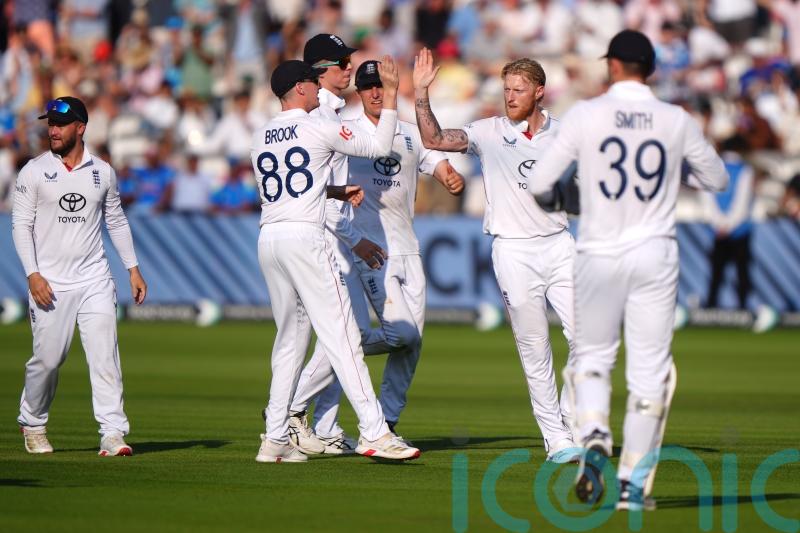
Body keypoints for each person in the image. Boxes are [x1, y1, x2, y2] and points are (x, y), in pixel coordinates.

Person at [527, 30, 728, 510]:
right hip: (655, 253)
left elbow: (540, 184)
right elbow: (717, 178)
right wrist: (672, 171)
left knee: (593, 357)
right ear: (651, 69)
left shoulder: (587, 114)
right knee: (650, 373)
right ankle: (633, 488)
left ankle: (594, 431)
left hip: (599, 252)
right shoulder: (675, 119)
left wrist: (570, 199)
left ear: (612, 65)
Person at [287, 60, 465, 451]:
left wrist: (449, 176)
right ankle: (302, 394)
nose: (376, 93)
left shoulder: (407, 133)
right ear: (359, 92)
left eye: (382, 86)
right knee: (401, 334)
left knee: (411, 342)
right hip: (368, 250)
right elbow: (323, 186)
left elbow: (438, 163)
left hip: (408, 247)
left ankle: (386, 420)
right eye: (369, 87)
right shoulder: (345, 131)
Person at [413, 49, 580, 463]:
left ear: (539, 91)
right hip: (513, 250)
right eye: (506, 89)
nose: (510, 96)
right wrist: (421, 94)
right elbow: (434, 140)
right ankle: (556, 437)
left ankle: (571, 419)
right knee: (535, 347)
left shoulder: (566, 134)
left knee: (590, 338)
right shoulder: (489, 131)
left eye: (518, 90)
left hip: (559, 244)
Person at [252, 58, 420, 463]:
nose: (318, 88)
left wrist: (334, 191)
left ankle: (274, 437)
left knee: (289, 343)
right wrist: (392, 94)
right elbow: (378, 146)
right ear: (300, 89)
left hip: (270, 237)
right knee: (344, 337)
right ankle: (375, 432)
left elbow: (297, 185)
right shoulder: (317, 125)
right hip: (306, 238)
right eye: (312, 82)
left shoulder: (261, 134)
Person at [12, 96, 148, 456]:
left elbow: (115, 220)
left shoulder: (102, 172)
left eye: (61, 124)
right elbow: (20, 226)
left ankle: (113, 432)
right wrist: (33, 274)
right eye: (50, 124)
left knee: (105, 356)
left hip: (94, 278)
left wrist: (133, 268)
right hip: (49, 283)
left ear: (81, 127)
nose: (53, 130)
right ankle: (33, 421)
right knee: (48, 359)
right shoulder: (33, 171)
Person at [283, 33, 395, 455]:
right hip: (323, 240)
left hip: (323, 236)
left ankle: (323, 426)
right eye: (342, 63)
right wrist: (355, 239)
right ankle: (289, 413)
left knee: (340, 335)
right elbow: (317, 197)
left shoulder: (328, 111)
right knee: (346, 334)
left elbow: (321, 188)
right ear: (319, 71)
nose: (350, 68)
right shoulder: (319, 116)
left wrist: (340, 198)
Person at [703, 139, 754, 310]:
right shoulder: (745, 170)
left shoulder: (712, 168)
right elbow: (743, 201)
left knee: (716, 273)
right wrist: (730, 224)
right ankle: (743, 309)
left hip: (718, 231)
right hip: (740, 230)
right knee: (742, 272)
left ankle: (710, 308)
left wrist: (719, 223)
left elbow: (707, 198)